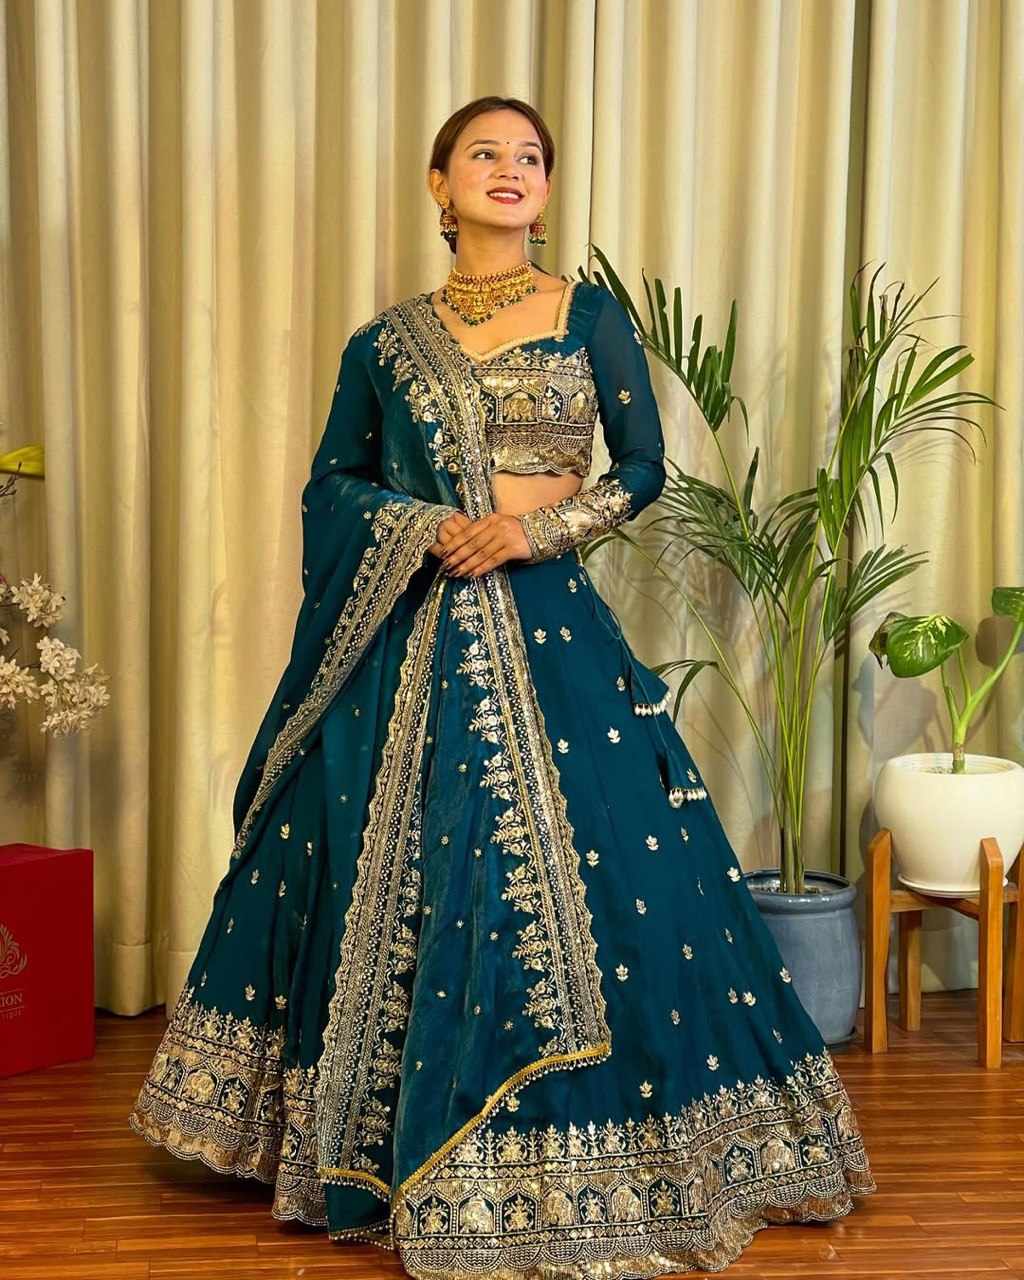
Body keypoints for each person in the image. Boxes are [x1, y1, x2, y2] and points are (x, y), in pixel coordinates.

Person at [129, 95, 876, 1278]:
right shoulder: (383, 344)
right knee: (397, 858)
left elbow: (642, 467)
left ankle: (583, 1148)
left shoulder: (587, 317)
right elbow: (333, 488)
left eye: (529, 155)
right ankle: (370, 1142)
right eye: (484, 152)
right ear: (440, 185)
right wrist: (426, 523)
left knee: (602, 871)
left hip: (550, 626)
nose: (510, 168)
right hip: (408, 636)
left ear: (546, 188)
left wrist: (537, 531)